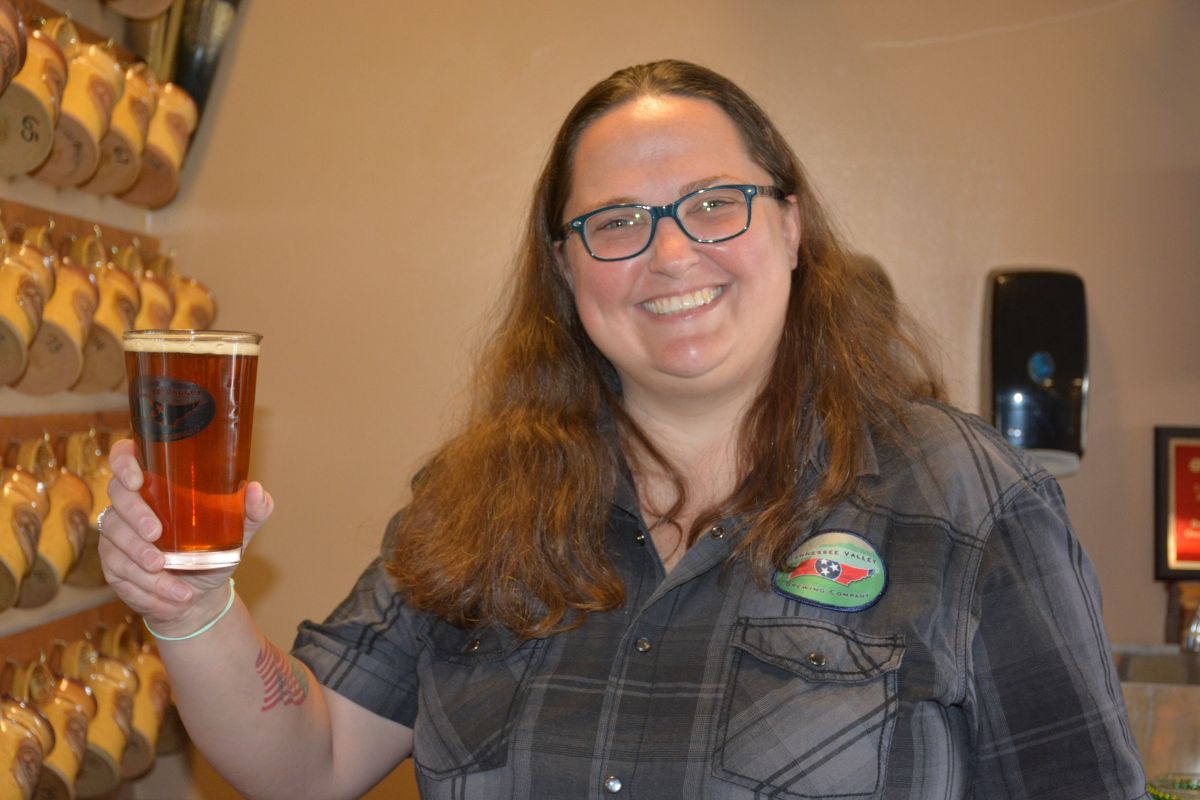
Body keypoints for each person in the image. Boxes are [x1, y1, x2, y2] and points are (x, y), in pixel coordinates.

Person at [97, 60, 1148, 799]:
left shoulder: (968, 499)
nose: (670, 254)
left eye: (715, 202)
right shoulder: (477, 504)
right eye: (615, 222)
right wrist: (191, 606)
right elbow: (308, 757)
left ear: (791, 228)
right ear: (566, 269)